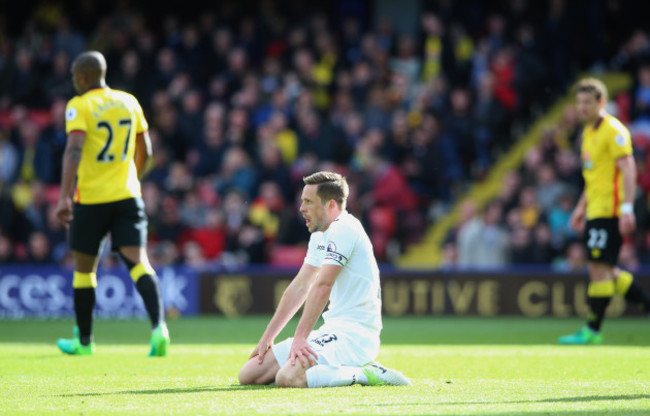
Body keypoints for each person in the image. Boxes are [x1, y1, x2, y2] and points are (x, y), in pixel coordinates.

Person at [238, 171, 411, 387]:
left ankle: (366, 373)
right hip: (331, 331)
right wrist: (268, 337)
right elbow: (300, 286)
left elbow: (323, 285)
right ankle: (325, 366)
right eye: (302, 201)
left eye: (308, 202)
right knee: (249, 374)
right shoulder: (320, 235)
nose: (301, 208)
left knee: (288, 378)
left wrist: (301, 337)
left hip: (355, 337)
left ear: (330, 205)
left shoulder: (346, 228)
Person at [55, 51, 170, 356]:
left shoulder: (79, 106)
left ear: (82, 77)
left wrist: (64, 195)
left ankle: (84, 343)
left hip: (91, 200)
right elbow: (145, 149)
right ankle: (160, 329)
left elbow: (74, 150)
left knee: (84, 270)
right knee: (138, 262)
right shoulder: (129, 101)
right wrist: (134, 176)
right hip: (127, 195)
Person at [558, 78, 650, 345]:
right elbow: (594, 177)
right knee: (607, 270)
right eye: (579, 102)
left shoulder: (613, 130)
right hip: (595, 209)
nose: (582, 107)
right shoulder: (588, 133)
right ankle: (645, 307)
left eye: (587, 102)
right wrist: (579, 208)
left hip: (610, 209)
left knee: (598, 268)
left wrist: (626, 207)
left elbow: (629, 168)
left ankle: (592, 330)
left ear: (601, 102)